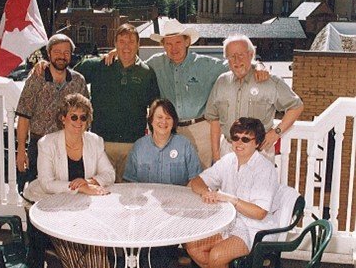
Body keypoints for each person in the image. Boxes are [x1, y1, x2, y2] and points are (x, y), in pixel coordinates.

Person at [106, 19, 268, 170]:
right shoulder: (155, 64)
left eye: (178, 42)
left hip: (200, 129)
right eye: (168, 43)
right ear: (163, 45)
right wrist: (116, 52)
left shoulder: (206, 64)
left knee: (202, 174)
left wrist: (259, 66)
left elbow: (237, 64)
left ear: (187, 42)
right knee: (172, 173)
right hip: (170, 130)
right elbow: (131, 60)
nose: (173, 48)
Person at [25, 93, 115, 268]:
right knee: (65, 237)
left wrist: (91, 182)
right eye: (73, 117)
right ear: (63, 118)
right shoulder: (47, 143)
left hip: (83, 205)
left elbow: (109, 173)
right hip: (48, 204)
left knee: (96, 237)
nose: (78, 122)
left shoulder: (94, 141)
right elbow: (46, 183)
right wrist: (78, 187)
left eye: (83, 118)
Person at [186, 117, 279, 268]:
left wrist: (232, 199)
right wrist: (206, 193)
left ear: (257, 142)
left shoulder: (265, 169)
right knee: (192, 247)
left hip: (253, 228)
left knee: (217, 256)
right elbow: (197, 181)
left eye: (246, 139)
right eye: (235, 138)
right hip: (227, 222)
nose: (239, 143)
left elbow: (260, 212)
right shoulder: (228, 161)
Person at [123, 98, 202, 268]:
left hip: (176, 209)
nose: (163, 122)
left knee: (167, 223)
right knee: (141, 221)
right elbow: (130, 181)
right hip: (146, 207)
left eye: (168, 118)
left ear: (174, 122)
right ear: (151, 120)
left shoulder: (184, 145)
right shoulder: (139, 147)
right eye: (159, 117)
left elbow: (195, 178)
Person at [75, 24, 159, 181]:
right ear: (115, 44)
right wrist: (43, 65)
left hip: (133, 144)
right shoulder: (99, 65)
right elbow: (66, 74)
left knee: (129, 193)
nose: (126, 46)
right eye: (121, 41)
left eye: (131, 41)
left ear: (138, 44)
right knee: (100, 189)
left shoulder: (147, 72)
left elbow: (155, 109)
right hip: (101, 143)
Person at [205, 34, 304, 162]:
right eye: (231, 56)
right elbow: (214, 119)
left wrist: (276, 133)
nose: (237, 60)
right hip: (228, 151)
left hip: (259, 153)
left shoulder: (270, 82)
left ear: (251, 55)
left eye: (241, 55)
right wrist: (216, 155)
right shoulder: (221, 82)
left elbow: (296, 106)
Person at [16, 34, 88, 183]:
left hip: (69, 146)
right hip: (39, 145)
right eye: (57, 52)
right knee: (37, 189)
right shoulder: (37, 78)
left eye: (66, 52)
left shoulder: (78, 81)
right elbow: (24, 115)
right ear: (48, 54)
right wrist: (21, 150)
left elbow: (85, 117)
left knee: (68, 190)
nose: (61, 56)